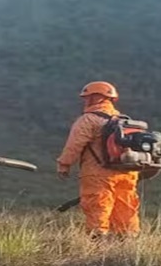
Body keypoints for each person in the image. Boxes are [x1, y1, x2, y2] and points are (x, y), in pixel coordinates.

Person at [56, 81, 140, 238]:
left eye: (87, 97)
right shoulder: (125, 121)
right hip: (127, 172)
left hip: (98, 173)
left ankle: (98, 246)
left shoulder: (88, 120)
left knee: (98, 206)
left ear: (95, 98)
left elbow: (74, 144)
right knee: (126, 208)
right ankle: (128, 246)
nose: (85, 100)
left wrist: (64, 164)